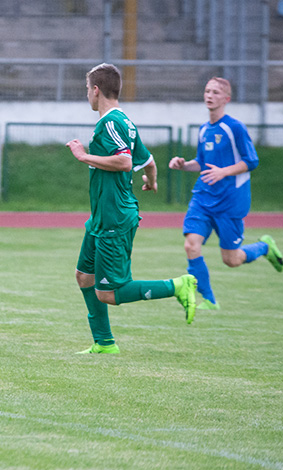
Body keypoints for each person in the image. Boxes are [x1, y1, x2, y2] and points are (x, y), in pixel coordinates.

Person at [66, 63, 198, 355]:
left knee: (110, 293)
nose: (87, 94)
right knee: (84, 276)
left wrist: (83, 156)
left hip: (114, 215)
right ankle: (104, 342)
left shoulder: (110, 123)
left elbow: (125, 162)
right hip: (102, 216)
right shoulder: (125, 121)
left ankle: (178, 285)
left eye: (88, 89)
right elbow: (147, 161)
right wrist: (151, 181)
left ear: (96, 90)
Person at [169, 77, 283, 311]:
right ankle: (209, 300)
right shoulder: (204, 130)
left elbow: (251, 161)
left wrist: (224, 172)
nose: (209, 95)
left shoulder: (235, 128)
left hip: (230, 200)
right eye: (207, 91)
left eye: (216, 92)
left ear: (226, 99)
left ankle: (264, 247)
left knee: (231, 260)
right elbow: (202, 163)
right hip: (203, 197)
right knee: (191, 245)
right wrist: (183, 165)